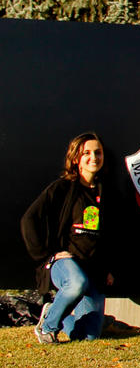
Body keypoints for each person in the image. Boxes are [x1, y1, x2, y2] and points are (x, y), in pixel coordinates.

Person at [21, 133, 113, 343]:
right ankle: (48, 327)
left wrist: (108, 268)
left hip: (93, 269)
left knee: (88, 336)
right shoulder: (62, 187)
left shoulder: (104, 191)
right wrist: (47, 254)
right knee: (76, 283)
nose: (93, 157)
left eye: (97, 153)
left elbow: (108, 236)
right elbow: (29, 219)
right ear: (75, 159)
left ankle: (55, 314)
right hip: (66, 263)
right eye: (86, 153)